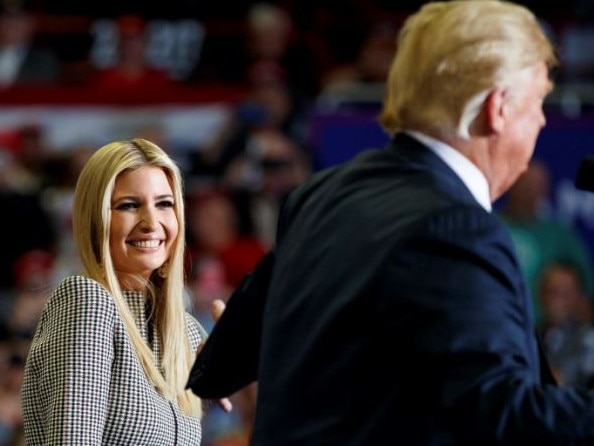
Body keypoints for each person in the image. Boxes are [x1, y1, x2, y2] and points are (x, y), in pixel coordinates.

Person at [186, 0, 594, 444]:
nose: (540, 122)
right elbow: (502, 417)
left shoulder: (323, 194)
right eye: (538, 103)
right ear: (498, 107)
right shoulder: (456, 227)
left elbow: (222, 362)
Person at [21, 138, 229, 445]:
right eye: (129, 205)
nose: (151, 222)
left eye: (164, 204)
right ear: (96, 219)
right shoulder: (87, 300)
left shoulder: (185, 331)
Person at [498, 158, 594, 325]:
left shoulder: (560, 234)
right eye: (525, 182)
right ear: (510, 183)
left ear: (545, 189)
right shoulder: (490, 226)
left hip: (550, 332)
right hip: (500, 323)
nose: (530, 191)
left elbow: (586, 290)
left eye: (536, 185)